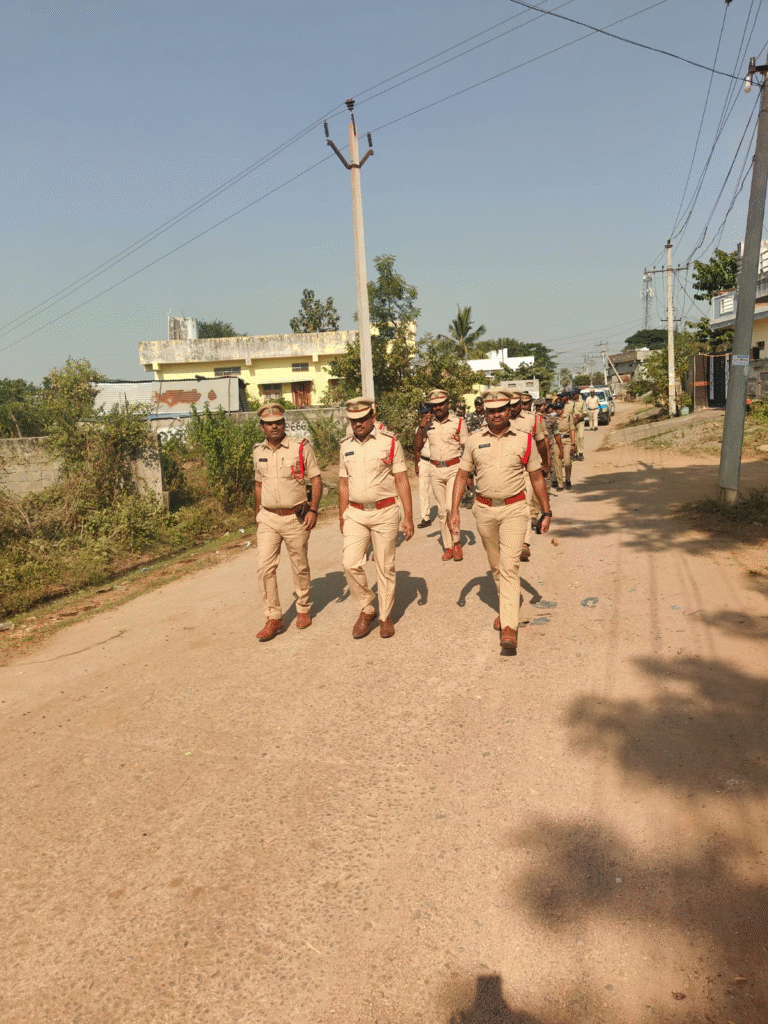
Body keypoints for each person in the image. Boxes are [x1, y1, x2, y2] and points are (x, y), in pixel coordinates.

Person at [449, 389, 551, 654]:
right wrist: (454, 511)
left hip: (515, 509)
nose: (496, 415)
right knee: (496, 566)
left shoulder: (525, 439)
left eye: (501, 410)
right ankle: (507, 607)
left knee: (509, 565)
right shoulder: (474, 440)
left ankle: (509, 626)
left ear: (509, 410)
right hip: (484, 510)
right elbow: (461, 476)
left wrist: (546, 511)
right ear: (484, 412)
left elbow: (537, 477)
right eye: (491, 411)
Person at [339, 396, 414, 639]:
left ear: (372, 417)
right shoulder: (345, 445)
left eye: (362, 418)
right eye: (353, 420)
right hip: (355, 512)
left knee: (385, 566)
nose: (358, 424)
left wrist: (408, 516)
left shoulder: (389, 442)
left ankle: (385, 616)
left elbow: (401, 479)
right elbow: (343, 483)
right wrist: (342, 514)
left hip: (385, 511)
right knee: (350, 563)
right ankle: (367, 608)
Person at [252, 403, 323, 641]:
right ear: (262, 427)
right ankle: (273, 617)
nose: (275, 427)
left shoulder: (300, 448)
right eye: (269, 424)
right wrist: (257, 514)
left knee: (299, 565)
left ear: (284, 424)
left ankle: (303, 607)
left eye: (278, 422)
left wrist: (313, 509)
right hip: (268, 518)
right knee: (264, 567)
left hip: (295, 517)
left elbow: (316, 480)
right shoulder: (258, 451)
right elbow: (258, 485)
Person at [412, 388, 468, 561]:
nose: (438, 408)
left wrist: (469, 474)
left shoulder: (459, 422)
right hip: (435, 470)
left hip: (454, 469)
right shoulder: (428, 424)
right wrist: (421, 427)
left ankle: (457, 542)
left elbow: (467, 449)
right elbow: (417, 447)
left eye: (441, 404)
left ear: (447, 404)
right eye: (434, 405)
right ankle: (448, 545)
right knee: (442, 511)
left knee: (451, 508)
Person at [510, 391, 550, 562]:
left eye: (515, 405)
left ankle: (524, 543)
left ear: (521, 403)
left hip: (528, 468)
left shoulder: (533, 420)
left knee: (525, 505)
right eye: (510, 405)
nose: (512, 408)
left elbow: (542, 443)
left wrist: (546, 462)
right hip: (508, 470)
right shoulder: (501, 420)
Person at [554, 399, 576, 489]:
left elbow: (572, 430)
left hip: (566, 441)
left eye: (560, 408)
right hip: (556, 442)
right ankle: (560, 484)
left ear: (563, 408)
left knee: (567, 462)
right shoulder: (553, 418)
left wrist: (573, 444)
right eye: (556, 408)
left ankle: (567, 479)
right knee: (558, 463)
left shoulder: (569, 417)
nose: (558, 410)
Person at [415, 433, 434, 528]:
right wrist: (416, 464)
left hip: (438, 462)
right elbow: (416, 448)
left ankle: (447, 514)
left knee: (441, 489)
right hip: (424, 461)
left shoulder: (439, 427)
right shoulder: (420, 430)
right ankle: (425, 517)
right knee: (423, 490)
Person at [571, 390, 587, 459]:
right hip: (572, 422)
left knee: (580, 437)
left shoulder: (582, 402)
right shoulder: (571, 402)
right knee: (574, 438)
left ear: (577, 394)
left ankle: (580, 453)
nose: (573, 396)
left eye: (574, 394)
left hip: (580, 422)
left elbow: (584, 413)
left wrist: (578, 419)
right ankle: (574, 453)